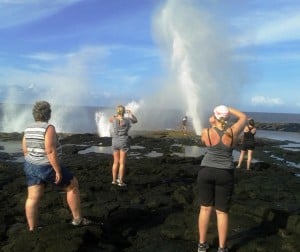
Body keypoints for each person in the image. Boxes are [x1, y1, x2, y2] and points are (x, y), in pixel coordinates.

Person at [22, 101, 91, 231]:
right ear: (48, 114)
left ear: (34, 114)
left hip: (30, 165)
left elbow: (25, 149)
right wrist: (57, 170)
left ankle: (32, 228)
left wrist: (31, 161)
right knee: (72, 186)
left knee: (32, 197)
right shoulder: (48, 128)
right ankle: (77, 220)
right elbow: (50, 150)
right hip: (46, 167)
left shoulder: (28, 128)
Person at [197, 105, 247, 252]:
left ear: (215, 116)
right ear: (228, 117)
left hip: (206, 171)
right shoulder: (233, 131)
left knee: (205, 209)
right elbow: (243, 117)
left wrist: (213, 122)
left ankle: (201, 245)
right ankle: (222, 248)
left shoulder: (205, 131)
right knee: (221, 212)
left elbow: (206, 143)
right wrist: (229, 109)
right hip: (225, 173)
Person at [109, 105, 137, 187]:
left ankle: (114, 181)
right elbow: (135, 120)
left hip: (115, 141)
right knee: (122, 163)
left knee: (115, 162)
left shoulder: (114, 119)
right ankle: (120, 182)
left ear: (117, 111)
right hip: (123, 142)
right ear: (124, 112)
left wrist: (115, 115)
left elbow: (110, 119)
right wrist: (131, 113)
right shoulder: (128, 120)